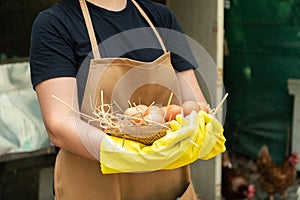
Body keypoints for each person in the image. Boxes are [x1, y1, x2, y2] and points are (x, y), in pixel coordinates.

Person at [29, 0, 214, 199]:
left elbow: (195, 102)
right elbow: (60, 123)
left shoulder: (161, 18)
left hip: (170, 187)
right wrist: (127, 154)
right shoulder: (56, 24)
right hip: (93, 188)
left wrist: (198, 123)